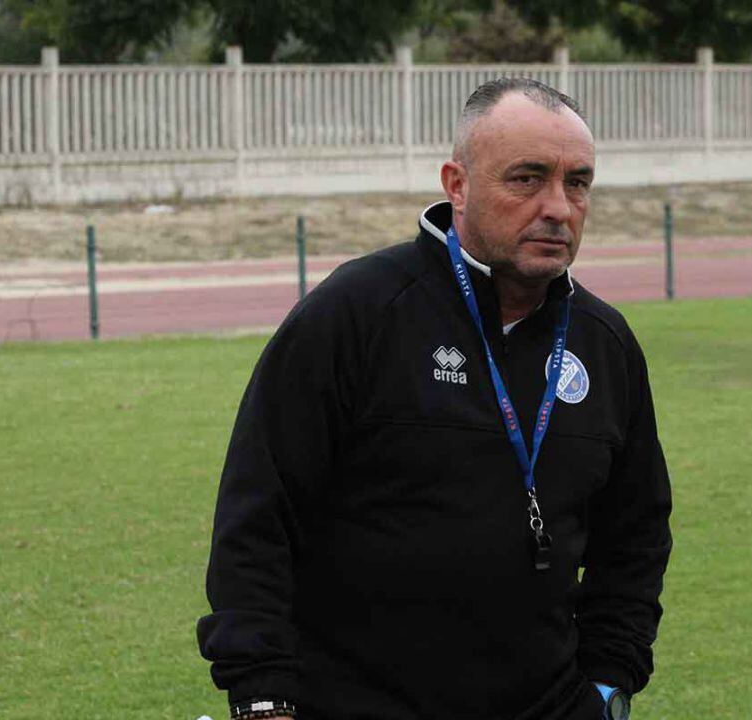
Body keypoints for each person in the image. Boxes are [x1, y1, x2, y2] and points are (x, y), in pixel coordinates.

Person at [197, 78, 673, 720]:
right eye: (527, 179)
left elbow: (636, 536)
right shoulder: (356, 313)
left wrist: (610, 683)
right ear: (458, 184)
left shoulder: (604, 342)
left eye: (578, 183)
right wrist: (261, 697)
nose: (558, 207)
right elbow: (258, 516)